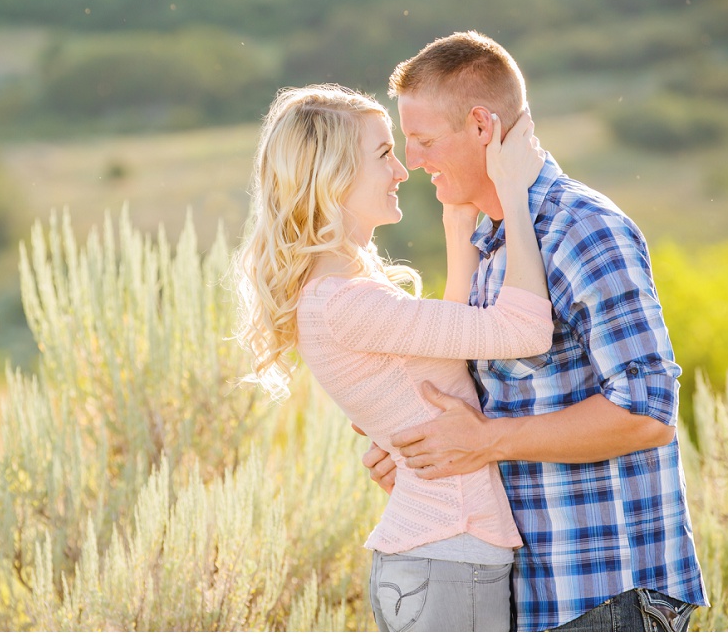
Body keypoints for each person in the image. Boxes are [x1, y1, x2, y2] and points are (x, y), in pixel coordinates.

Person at [362, 31, 709, 632]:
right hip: (533, 591)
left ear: (480, 127)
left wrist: (484, 441)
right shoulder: (490, 243)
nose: (412, 161)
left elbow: (649, 413)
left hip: (605, 593)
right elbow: (481, 408)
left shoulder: (584, 230)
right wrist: (418, 448)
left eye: (422, 140)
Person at [234, 83, 555, 631]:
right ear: (332, 176)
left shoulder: (343, 290)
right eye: (384, 154)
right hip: (447, 556)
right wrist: (514, 191)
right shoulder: (346, 302)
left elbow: (449, 344)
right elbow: (525, 330)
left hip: (439, 558)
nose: (403, 170)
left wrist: (458, 226)